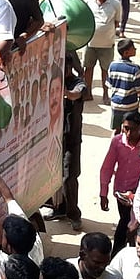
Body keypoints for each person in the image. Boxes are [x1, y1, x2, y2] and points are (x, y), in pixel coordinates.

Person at [45, 53, 86, 231]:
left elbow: (75, 95)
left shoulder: (79, 83)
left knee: (69, 177)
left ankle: (74, 214)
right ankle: (58, 208)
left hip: (71, 139)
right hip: (53, 138)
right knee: (54, 175)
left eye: (66, 67)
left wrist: (60, 90)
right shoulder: (52, 80)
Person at [99, 111, 140, 255]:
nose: (129, 133)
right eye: (126, 128)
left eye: (134, 129)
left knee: (129, 225)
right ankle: (121, 255)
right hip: (121, 193)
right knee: (126, 223)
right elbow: (107, 167)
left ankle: (118, 255)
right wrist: (103, 192)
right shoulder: (117, 141)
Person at [106, 38, 140, 132]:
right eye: (133, 48)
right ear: (126, 53)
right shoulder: (135, 68)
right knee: (130, 131)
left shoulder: (112, 65)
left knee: (117, 130)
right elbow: (139, 90)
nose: (135, 49)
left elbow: (109, 84)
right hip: (130, 106)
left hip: (116, 105)